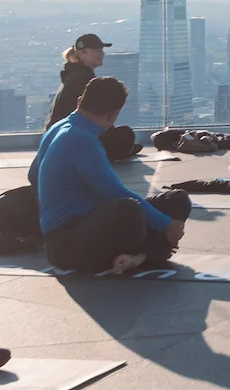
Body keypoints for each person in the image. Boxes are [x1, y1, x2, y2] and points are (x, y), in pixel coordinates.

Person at [31, 75, 191, 275]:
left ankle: (135, 255)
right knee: (129, 209)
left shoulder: (58, 128)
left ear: (80, 101)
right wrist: (166, 225)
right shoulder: (81, 140)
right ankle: (142, 256)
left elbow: (33, 175)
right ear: (112, 116)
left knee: (176, 199)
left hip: (65, 236)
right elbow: (115, 193)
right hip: (69, 246)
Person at [48, 34, 137, 160]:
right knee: (125, 134)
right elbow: (98, 112)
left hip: (59, 136)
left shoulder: (74, 74)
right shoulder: (83, 78)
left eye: (101, 50)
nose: (101, 53)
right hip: (73, 139)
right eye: (96, 50)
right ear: (82, 54)